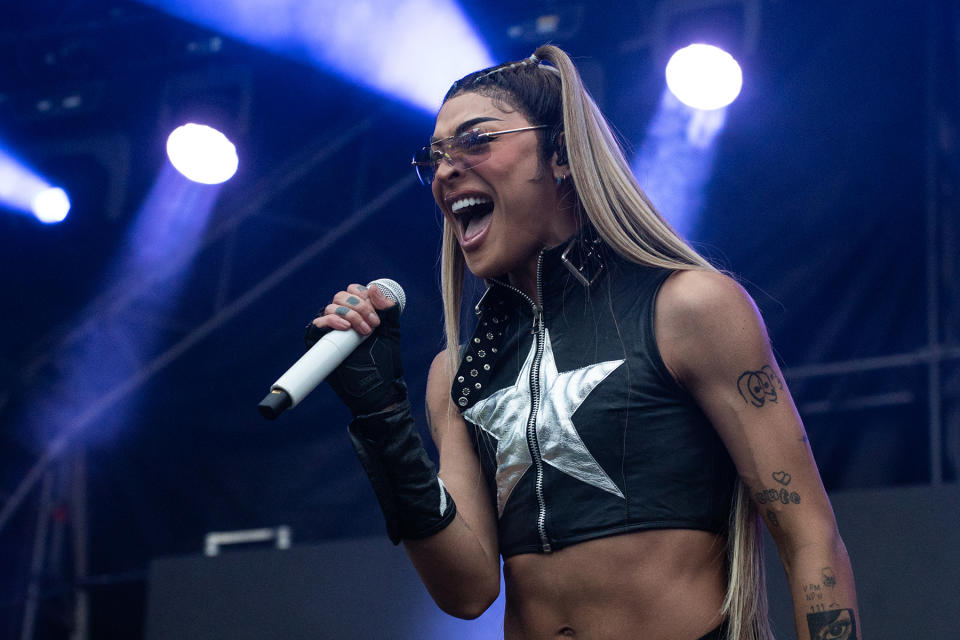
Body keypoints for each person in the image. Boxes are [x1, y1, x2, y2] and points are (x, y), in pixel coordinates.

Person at [308, 45, 860, 640]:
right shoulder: (459, 372)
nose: (445, 170)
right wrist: (383, 419)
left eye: (476, 140)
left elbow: (811, 537)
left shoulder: (689, 307)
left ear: (562, 155)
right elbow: (466, 592)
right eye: (435, 156)